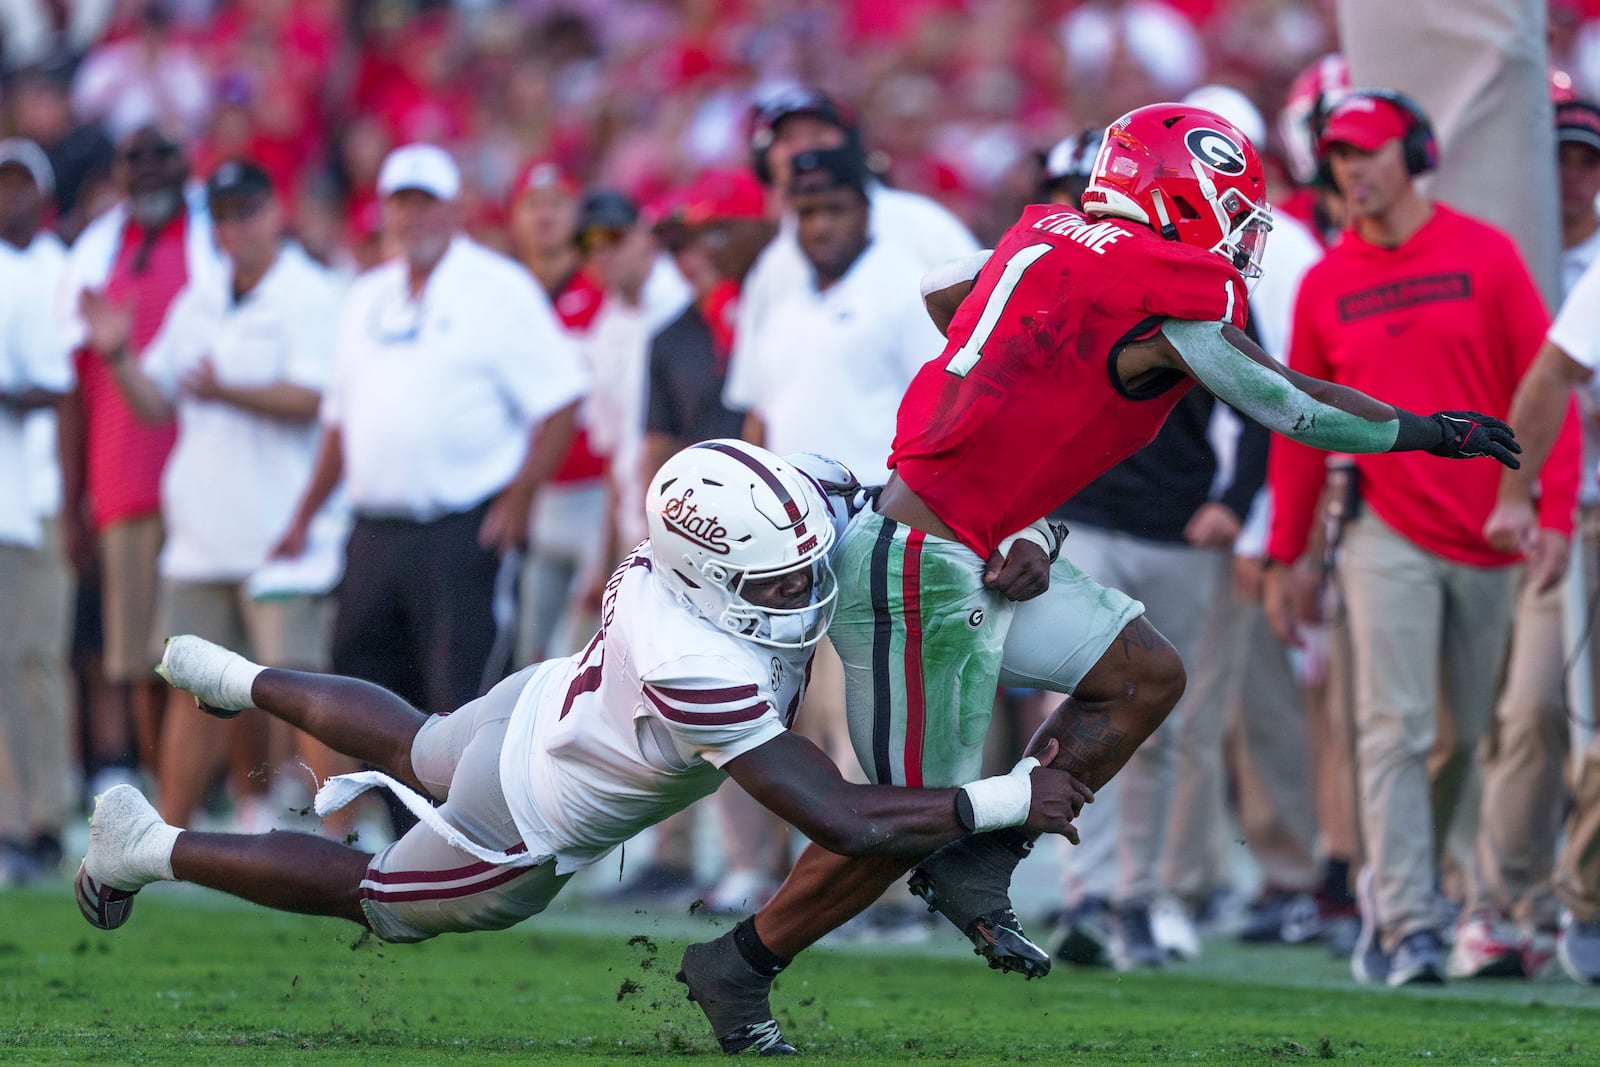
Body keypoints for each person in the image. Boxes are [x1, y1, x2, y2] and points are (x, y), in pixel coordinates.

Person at [679, 100, 1523, 1053]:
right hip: (920, 567)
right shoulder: (1165, 294)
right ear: (1175, 196)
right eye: (1229, 206)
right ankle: (738, 965)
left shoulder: (1045, 232)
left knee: (1143, 673)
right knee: (901, 820)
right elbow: (1291, 406)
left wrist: (1022, 493)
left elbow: (949, 294)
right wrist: (1427, 429)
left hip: (972, 543)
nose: (1241, 230)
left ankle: (988, 853)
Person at [72, 441, 1093, 1057]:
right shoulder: (694, 658)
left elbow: (902, 497)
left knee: (417, 737)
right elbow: (840, 817)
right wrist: (1009, 795)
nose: (807, 589)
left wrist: (1031, 530)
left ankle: (230, 675)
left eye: (805, 565)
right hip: (522, 820)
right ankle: (146, 844)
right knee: (377, 898)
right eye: (779, 584)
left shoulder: (786, 505)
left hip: (538, 704)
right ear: (708, 577)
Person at [1262, 90, 1579, 988]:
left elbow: (1547, 387)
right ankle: (1403, 920)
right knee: (1391, 730)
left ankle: (1453, 896)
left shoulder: (1488, 253)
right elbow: (1301, 425)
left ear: (1417, 152)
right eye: (1337, 158)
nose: (1352, 172)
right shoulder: (1326, 281)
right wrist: (1288, 555)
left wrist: (1551, 510)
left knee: (1468, 739)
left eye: (1368, 151)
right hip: (1383, 532)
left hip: (1493, 530)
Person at [77, 160, 350, 831]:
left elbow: (320, 398)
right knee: (195, 691)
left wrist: (227, 389)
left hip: (284, 525)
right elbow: (154, 402)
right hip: (202, 529)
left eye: (246, 212)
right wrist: (118, 357)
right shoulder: (198, 299)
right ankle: (170, 837)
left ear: (275, 212)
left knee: (301, 686)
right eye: (222, 216)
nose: (233, 228)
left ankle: (351, 831)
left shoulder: (312, 293)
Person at [272, 144, 587, 719]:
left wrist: (520, 497)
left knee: (461, 691)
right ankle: (401, 812)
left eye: (426, 203)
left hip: (462, 525)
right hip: (374, 529)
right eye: (401, 203)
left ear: (454, 210)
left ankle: (458, 812)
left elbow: (562, 398)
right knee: (364, 677)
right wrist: (302, 515)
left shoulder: (498, 286)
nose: (413, 217)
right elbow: (340, 421)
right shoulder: (367, 295)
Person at [1453, 94, 1600, 981]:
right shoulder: (1507, 257)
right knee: (1532, 711)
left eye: (1588, 161)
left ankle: (1577, 900)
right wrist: (1521, 495)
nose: (1574, 176)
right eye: (1562, 158)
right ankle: (1501, 904)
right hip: (1557, 515)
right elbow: (1544, 382)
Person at [55, 123, 221, 791]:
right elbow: (74, 385)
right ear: (115, 172)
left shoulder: (216, 239)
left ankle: (214, 790)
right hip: (121, 478)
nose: (148, 168)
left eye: (162, 155)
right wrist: (74, 499)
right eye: (134, 157)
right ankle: (158, 785)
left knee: (201, 654)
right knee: (133, 658)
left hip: (207, 480)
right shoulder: (95, 254)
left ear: (188, 163)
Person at [0, 140, 72, 880]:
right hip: (6, 488)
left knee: (32, 658)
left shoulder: (62, 269)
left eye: (21, 184)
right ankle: (14, 813)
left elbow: (66, 382)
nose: (8, 196)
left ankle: (45, 813)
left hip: (44, 489)